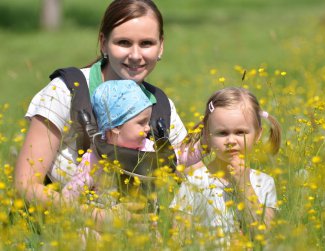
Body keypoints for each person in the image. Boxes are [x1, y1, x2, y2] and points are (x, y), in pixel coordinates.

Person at [15, 0, 191, 219]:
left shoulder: (161, 106)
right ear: (103, 43)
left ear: (161, 46)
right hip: (63, 226)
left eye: (146, 43)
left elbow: (195, 175)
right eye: (124, 42)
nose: (136, 55)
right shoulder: (68, 92)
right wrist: (96, 218)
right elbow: (25, 185)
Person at [170, 87, 281, 243]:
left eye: (240, 132)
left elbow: (267, 236)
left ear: (257, 135)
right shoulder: (194, 182)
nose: (231, 141)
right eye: (222, 133)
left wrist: (244, 185)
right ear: (207, 136)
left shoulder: (264, 182)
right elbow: (178, 239)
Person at [62, 79, 154, 206]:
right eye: (141, 123)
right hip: (105, 220)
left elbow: (174, 161)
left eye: (148, 122)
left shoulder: (148, 147)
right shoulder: (96, 158)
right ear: (115, 126)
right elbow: (69, 195)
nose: (148, 128)